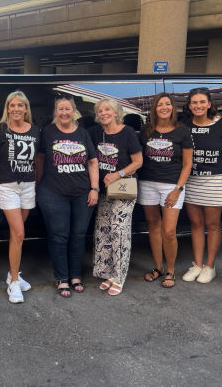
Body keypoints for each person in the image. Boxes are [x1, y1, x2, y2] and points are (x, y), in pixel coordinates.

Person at [36, 95, 99, 298]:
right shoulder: (47, 132)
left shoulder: (83, 133)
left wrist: (94, 189)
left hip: (82, 193)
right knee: (59, 236)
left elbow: (92, 161)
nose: (64, 113)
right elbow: (39, 159)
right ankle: (62, 278)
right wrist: (37, 186)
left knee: (78, 236)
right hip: (53, 192)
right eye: (60, 109)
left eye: (68, 109)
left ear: (74, 112)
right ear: (56, 112)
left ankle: (75, 276)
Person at [138, 93, 193, 289]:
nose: (164, 107)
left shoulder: (182, 131)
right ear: (154, 108)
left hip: (171, 185)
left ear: (172, 107)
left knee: (169, 231)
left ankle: (170, 270)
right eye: (160, 104)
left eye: (167, 104)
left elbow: (187, 164)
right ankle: (158, 267)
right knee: (153, 226)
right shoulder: (146, 131)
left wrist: (178, 189)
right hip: (147, 183)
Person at [0, 91, 39, 303]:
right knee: (19, 233)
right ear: (7, 108)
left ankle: (13, 273)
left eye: (20, 105)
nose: (16, 109)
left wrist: (36, 181)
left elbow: (38, 159)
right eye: (12, 105)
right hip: (7, 186)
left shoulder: (36, 130)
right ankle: (14, 283)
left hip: (28, 185)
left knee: (15, 234)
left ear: (26, 108)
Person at [90, 98, 142, 296]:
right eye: (100, 110)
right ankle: (108, 273)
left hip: (123, 188)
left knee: (119, 232)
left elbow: (138, 161)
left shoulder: (127, 132)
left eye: (107, 109)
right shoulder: (96, 133)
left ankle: (119, 276)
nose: (103, 113)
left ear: (116, 112)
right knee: (103, 231)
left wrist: (117, 174)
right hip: (104, 191)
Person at [181, 88, 222, 283]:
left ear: (209, 104)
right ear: (189, 105)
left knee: (212, 224)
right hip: (191, 179)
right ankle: (198, 264)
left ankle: (210, 266)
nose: (198, 106)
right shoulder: (184, 125)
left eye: (202, 102)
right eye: (194, 103)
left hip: (215, 180)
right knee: (195, 223)